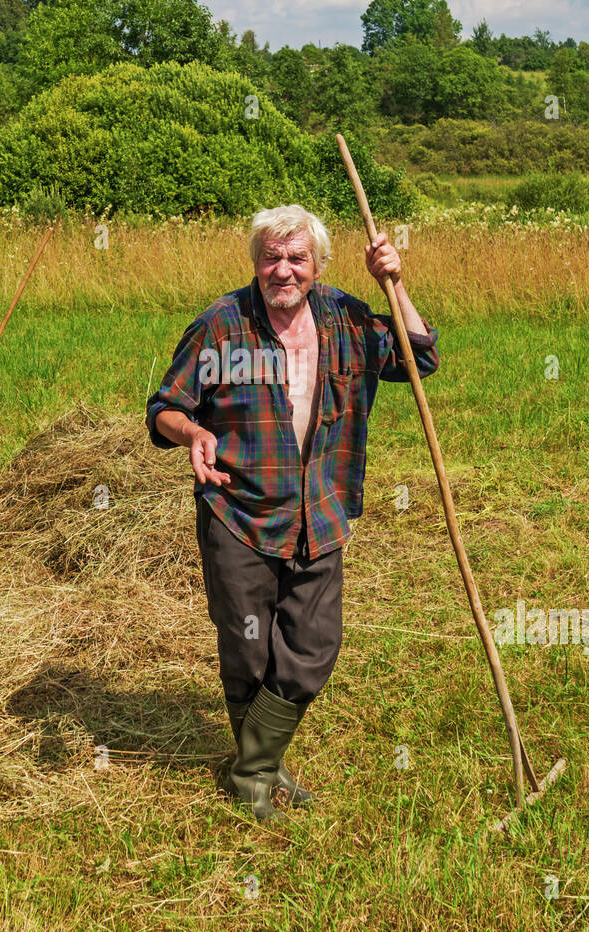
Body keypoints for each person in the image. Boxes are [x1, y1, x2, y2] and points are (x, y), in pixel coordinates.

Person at [145, 204, 440, 821]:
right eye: (271, 257)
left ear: (318, 265)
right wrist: (192, 433)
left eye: (297, 258)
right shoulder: (222, 326)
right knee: (249, 649)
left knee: (312, 646)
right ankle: (259, 771)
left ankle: (252, 764)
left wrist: (396, 281)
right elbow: (164, 407)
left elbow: (419, 356)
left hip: (320, 512)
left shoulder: (348, 318)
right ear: (255, 261)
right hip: (239, 513)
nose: (283, 270)